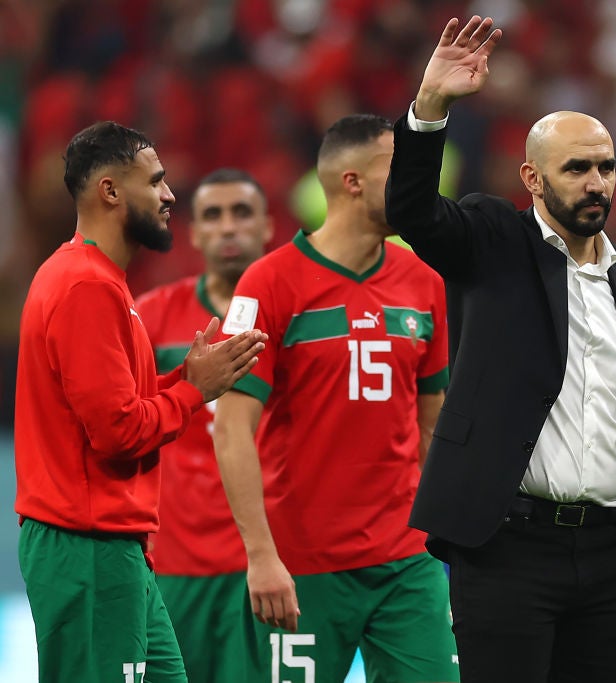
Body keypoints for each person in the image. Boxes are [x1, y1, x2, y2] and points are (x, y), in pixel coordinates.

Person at [384, 16, 616, 683]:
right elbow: (413, 212)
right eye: (577, 167)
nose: (596, 182)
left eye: (606, 167)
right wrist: (431, 107)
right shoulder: (494, 243)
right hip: (506, 548)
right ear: (532, 176)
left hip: (612, 556)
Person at [14, 121, 267, 683]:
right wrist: (194, 392)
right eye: (155, 182)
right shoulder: (87, 288)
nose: (169, 196)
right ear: (111, 191)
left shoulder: (92, 278)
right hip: (87, 545)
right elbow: (117, 433)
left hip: (107, 545)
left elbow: (111, 407)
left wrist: (189, 376)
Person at [213, 114, 457, 683]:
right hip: (301, 565)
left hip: (406, 562)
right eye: (399, 170)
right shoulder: (269, 285)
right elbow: (231, 430)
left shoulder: (425, 281)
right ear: (352, 182)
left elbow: (432, 425)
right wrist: (261, 556)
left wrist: (450, 539)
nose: (418, 181)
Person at [135, 168, 273, 682]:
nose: (228, 228)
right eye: (213, 216)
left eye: (242, 214)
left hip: (271, 558)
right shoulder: (149, 318)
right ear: (192, 233)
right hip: (176, 558)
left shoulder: (297, 313)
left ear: (267, 228)